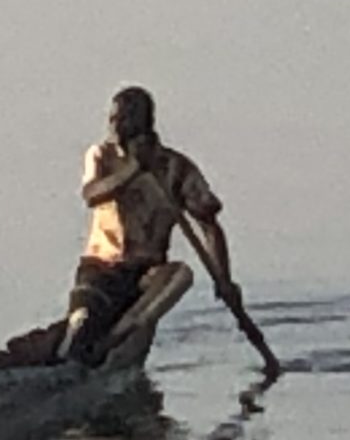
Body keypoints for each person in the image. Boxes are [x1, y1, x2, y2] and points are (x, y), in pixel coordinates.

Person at [58, 85, 233, 364]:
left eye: (122, 119)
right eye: (112, 118)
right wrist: (133, 169)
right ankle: (71, 357)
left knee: (181, 275)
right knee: (80, 324)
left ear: (142, 122)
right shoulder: (102, 156)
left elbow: (209, 224)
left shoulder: (175, 167)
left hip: (145, 275)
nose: (113, 126)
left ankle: (120, 338)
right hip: (101, 269)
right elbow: (92, 195)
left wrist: (224, 280)